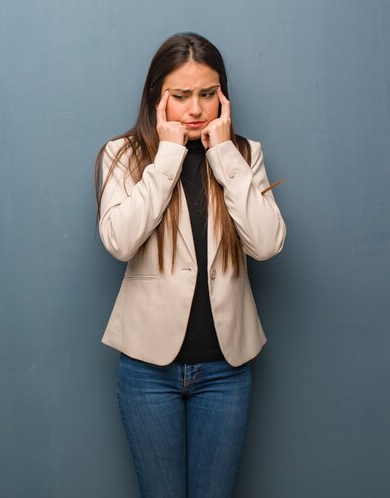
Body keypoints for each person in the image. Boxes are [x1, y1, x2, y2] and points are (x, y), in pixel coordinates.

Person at [94, 33, 286, 498]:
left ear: (223, 95)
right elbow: (119, 241)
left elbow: (266, 244)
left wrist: (223, 155)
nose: (196, 109)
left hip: (226, 370)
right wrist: (168, 156)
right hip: (147, 371)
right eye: (180, 96)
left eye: (207, 94)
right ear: (156, 97)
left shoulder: (245, 154)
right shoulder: (122, 154)